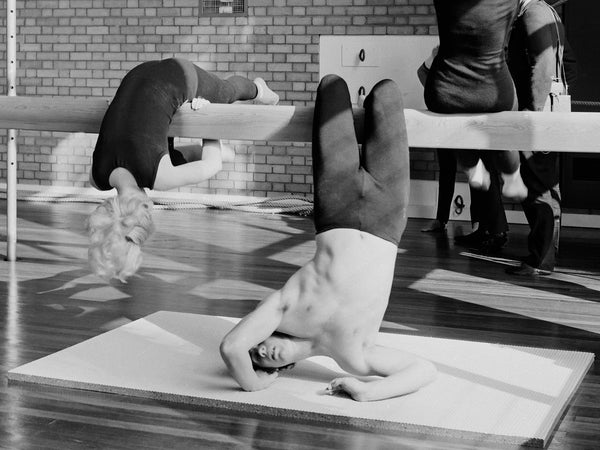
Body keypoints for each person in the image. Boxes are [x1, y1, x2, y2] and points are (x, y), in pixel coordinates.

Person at [220, 75, 437, 401]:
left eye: (257, 350)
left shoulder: (285, 308)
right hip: (387, 220)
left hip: (337, 209)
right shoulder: (354, 357)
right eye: (262, 365)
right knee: (387, 92)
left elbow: (231, 346)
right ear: (282, 371)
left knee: (332, 86)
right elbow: (423, 371)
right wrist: (365, 391)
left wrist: (252, 382)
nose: (263, 355)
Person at [88, 58, 279, 282]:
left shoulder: (161, 175)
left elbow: (213, 164)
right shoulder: (97, 176)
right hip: (135, 74)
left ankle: (259, 89)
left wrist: (209, 119)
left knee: (225, 93)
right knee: (169, 157)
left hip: (179, 75)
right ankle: (213, 149)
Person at [424, 0, 528, 201]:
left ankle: (472, 167)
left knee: (454, 118)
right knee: (504, 126)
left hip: (445, 87)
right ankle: (512, 175)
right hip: (494, 90)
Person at [506, 0, 577, 275]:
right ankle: (544, 256)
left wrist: (533, 111)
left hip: (536, 116)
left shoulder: (532, 14)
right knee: (545, 182)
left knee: (537, 184)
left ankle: (540, 260)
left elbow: (544, 62)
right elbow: (570, 65)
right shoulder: (548, 13)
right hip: (550, 110)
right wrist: (556, 94)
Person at [419, 46, 510, 253]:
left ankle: (488, 228)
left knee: (479, 173)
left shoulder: (477, 50)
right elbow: (422, 73)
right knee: (464, 171)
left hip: (472, 119)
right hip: (451, 118)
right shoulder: (444, 51)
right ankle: (469, 226)